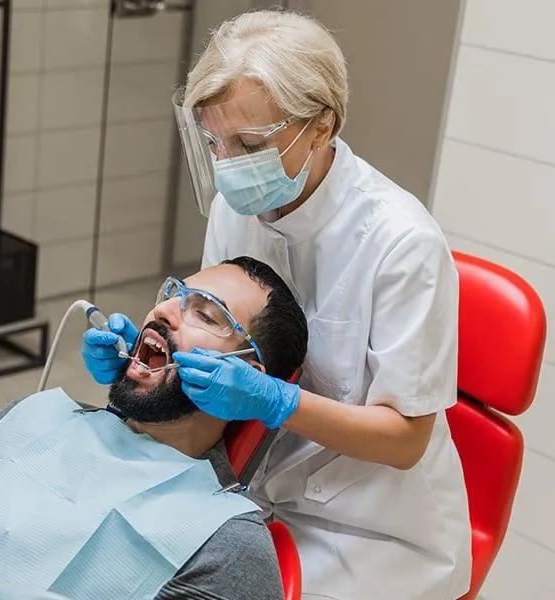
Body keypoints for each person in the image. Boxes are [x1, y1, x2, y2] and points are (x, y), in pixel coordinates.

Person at [82, 9, 472, 600]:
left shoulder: (401, 244)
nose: (229, 166)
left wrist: (276, 399)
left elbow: (404, 440)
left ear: (322, 126)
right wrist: (145, 367)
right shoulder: (233, 209)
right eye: (215, 142)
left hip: (369, 532)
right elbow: (211, 341)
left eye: (249, 143)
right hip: (245, 491)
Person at [0, 257, 307, 600]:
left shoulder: (224, 545)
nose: (164, 312)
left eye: (204, 313)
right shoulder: (29, 419)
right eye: (173, 295)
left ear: (246, 379)